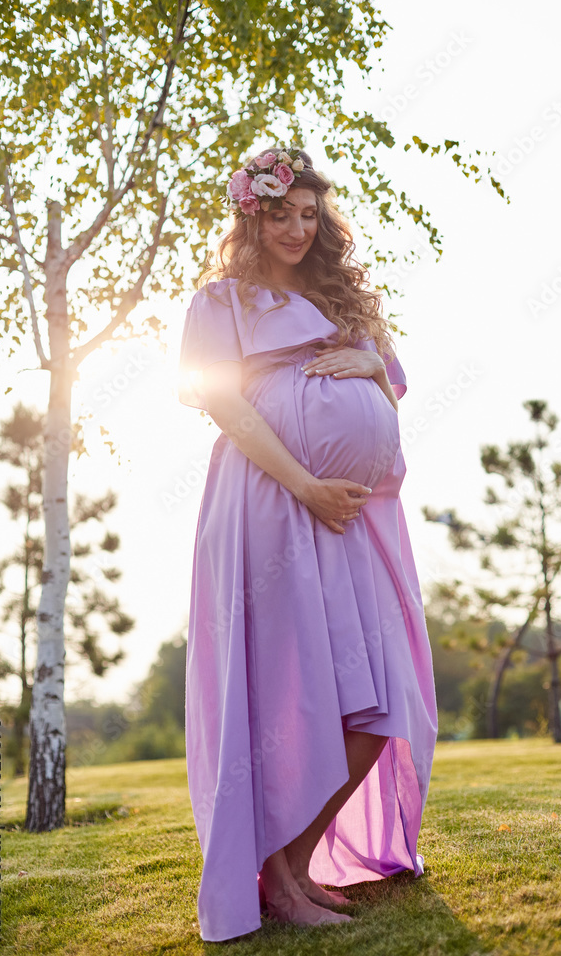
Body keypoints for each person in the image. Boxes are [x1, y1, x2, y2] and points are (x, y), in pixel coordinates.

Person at [178, 146, 438, 942]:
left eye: (310, 215)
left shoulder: (342, 301)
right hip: (270, 506)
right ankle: (280, 883)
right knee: (291, 690)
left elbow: (389, 380)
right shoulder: (220, 302)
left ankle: (288, 864)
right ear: (250, 214)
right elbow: (226, 409)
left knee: (378, 699)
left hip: (348, 519)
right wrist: (304, 484)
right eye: (283, 212)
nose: (298, 228)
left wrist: (369, 362)